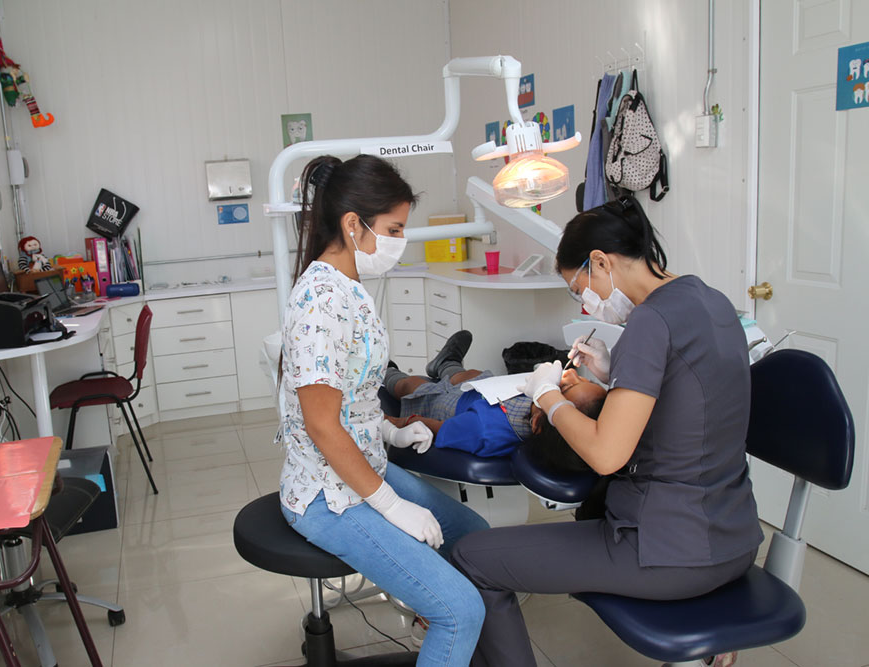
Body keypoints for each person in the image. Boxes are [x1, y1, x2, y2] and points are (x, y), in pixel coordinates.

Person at [451, 195, 762, 667]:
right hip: (735, 539)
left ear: (600, 261)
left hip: (668, 552)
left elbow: (606, 455)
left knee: (470, 559)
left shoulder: (650, 322)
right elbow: (692, 402)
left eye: (580, 289)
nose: (585, 302)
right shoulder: (712, 301)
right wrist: (615, 374)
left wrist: (547, 397)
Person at [278, 154, 489, 666]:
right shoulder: (319, 301)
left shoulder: (349, 290)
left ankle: (440, 637)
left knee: (477, 540)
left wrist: (390, 431)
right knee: (459, 611)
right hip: (330, 496)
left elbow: (351, 399)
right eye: (394, 228)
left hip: (364, 468)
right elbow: (322, 427)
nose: (399, 240)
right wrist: (393, 506)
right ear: (354, 225)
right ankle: (443, 626)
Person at [382, 330, 605, 463]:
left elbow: (434, 427)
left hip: (452, 407)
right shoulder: (539, 411)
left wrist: (392, 424)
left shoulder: (484, 429)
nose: (572, 373)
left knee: (412, 385)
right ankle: (446, 365)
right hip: (488, 392)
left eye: (563, 389)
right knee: (470, 375)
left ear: (537, 423)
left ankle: (384, 371)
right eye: (586, 379)